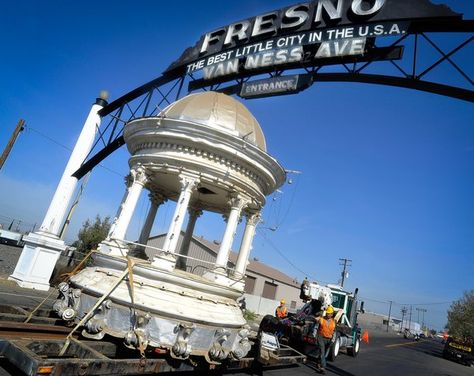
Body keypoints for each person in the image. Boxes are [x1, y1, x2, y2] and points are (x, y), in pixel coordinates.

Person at [317, 305, 336, 374]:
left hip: (329, 339)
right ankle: (323, 367)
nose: (328, 314)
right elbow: (316, 327)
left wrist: (333, 340)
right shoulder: (321, 319)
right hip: (321, 337)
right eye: (327, 313)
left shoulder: (334, 322)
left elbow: (334, 332)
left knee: (324, 354)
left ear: (332, 314)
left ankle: (319, 362)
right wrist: (314, 336)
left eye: (329, 313)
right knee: (322, 352)